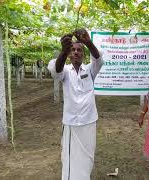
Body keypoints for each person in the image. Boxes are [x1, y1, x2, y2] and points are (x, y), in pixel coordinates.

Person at [47, 28, 103, 180]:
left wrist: (88, 42)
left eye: (79, 50)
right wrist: (63, 51)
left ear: (83, 54)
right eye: (72, 50)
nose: (76, 52)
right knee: (71, 158)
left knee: (87, 156)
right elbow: (56, 71)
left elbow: (98, 59)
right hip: (72, 123)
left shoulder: (90, 70)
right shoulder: (64, 70)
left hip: (89, 121)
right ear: (69, 54)